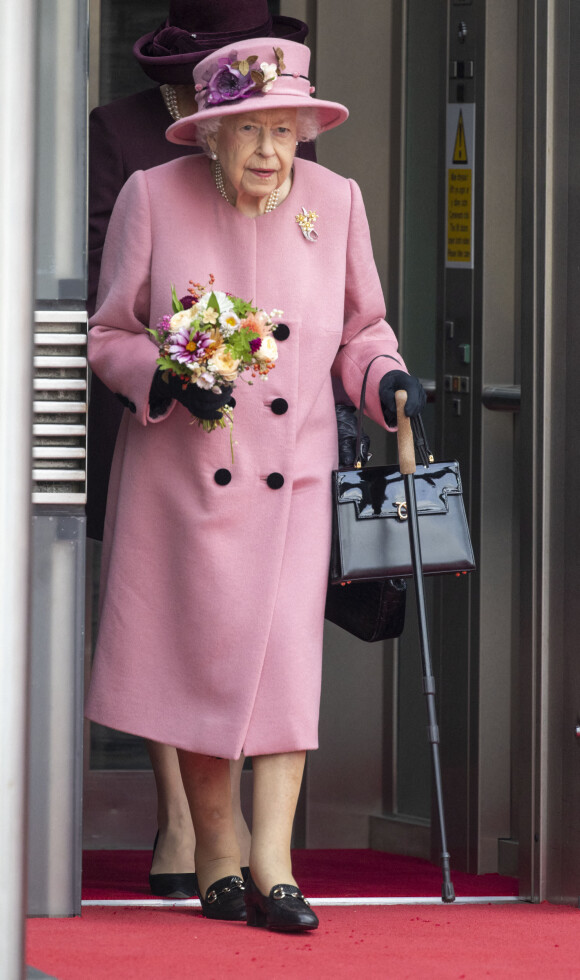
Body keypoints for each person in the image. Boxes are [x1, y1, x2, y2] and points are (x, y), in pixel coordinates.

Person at [85, 36, 425, 931]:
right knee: (199, 671)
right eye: (250, 131)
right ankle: (217, 855)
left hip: (294, 481)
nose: (271, 150)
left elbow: (364, 330)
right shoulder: (152, 197)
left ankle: (274, 868)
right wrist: (161, 374)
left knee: (281, 673)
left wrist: (385, 378)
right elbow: (110, 333)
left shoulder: (335, 201)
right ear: (209, 137)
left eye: (285, 129)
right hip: (185, 483)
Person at [87, 0, 313, 899]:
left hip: (280, 442)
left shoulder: (291, 142)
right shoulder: (129, 144)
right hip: (175, 417)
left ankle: (262, 854)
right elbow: (112, 290)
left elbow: (323, 272)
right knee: (179, 635)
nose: (267, 137)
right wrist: (176, 359)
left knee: (274, 645)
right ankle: (184, 819)